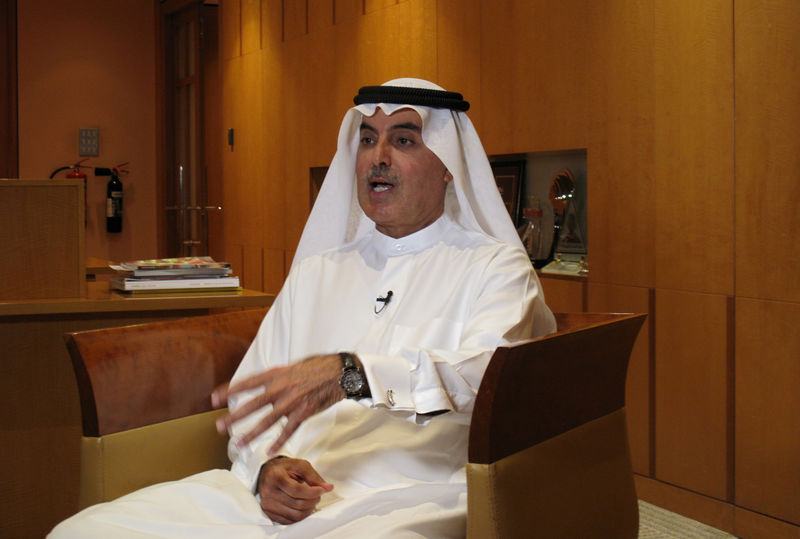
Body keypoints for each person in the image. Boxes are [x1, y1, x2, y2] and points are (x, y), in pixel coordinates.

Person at [50, 78, 555, 538]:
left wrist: (352, 374)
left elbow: (486, 376)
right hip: (279, 503)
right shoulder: (319, 271)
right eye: (366, 139)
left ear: (448, 166)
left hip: (405, 500)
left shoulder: (495, 268)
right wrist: (266, 469)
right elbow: (256, 402)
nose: (378, 156)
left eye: (403, 140)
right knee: (85, 532)